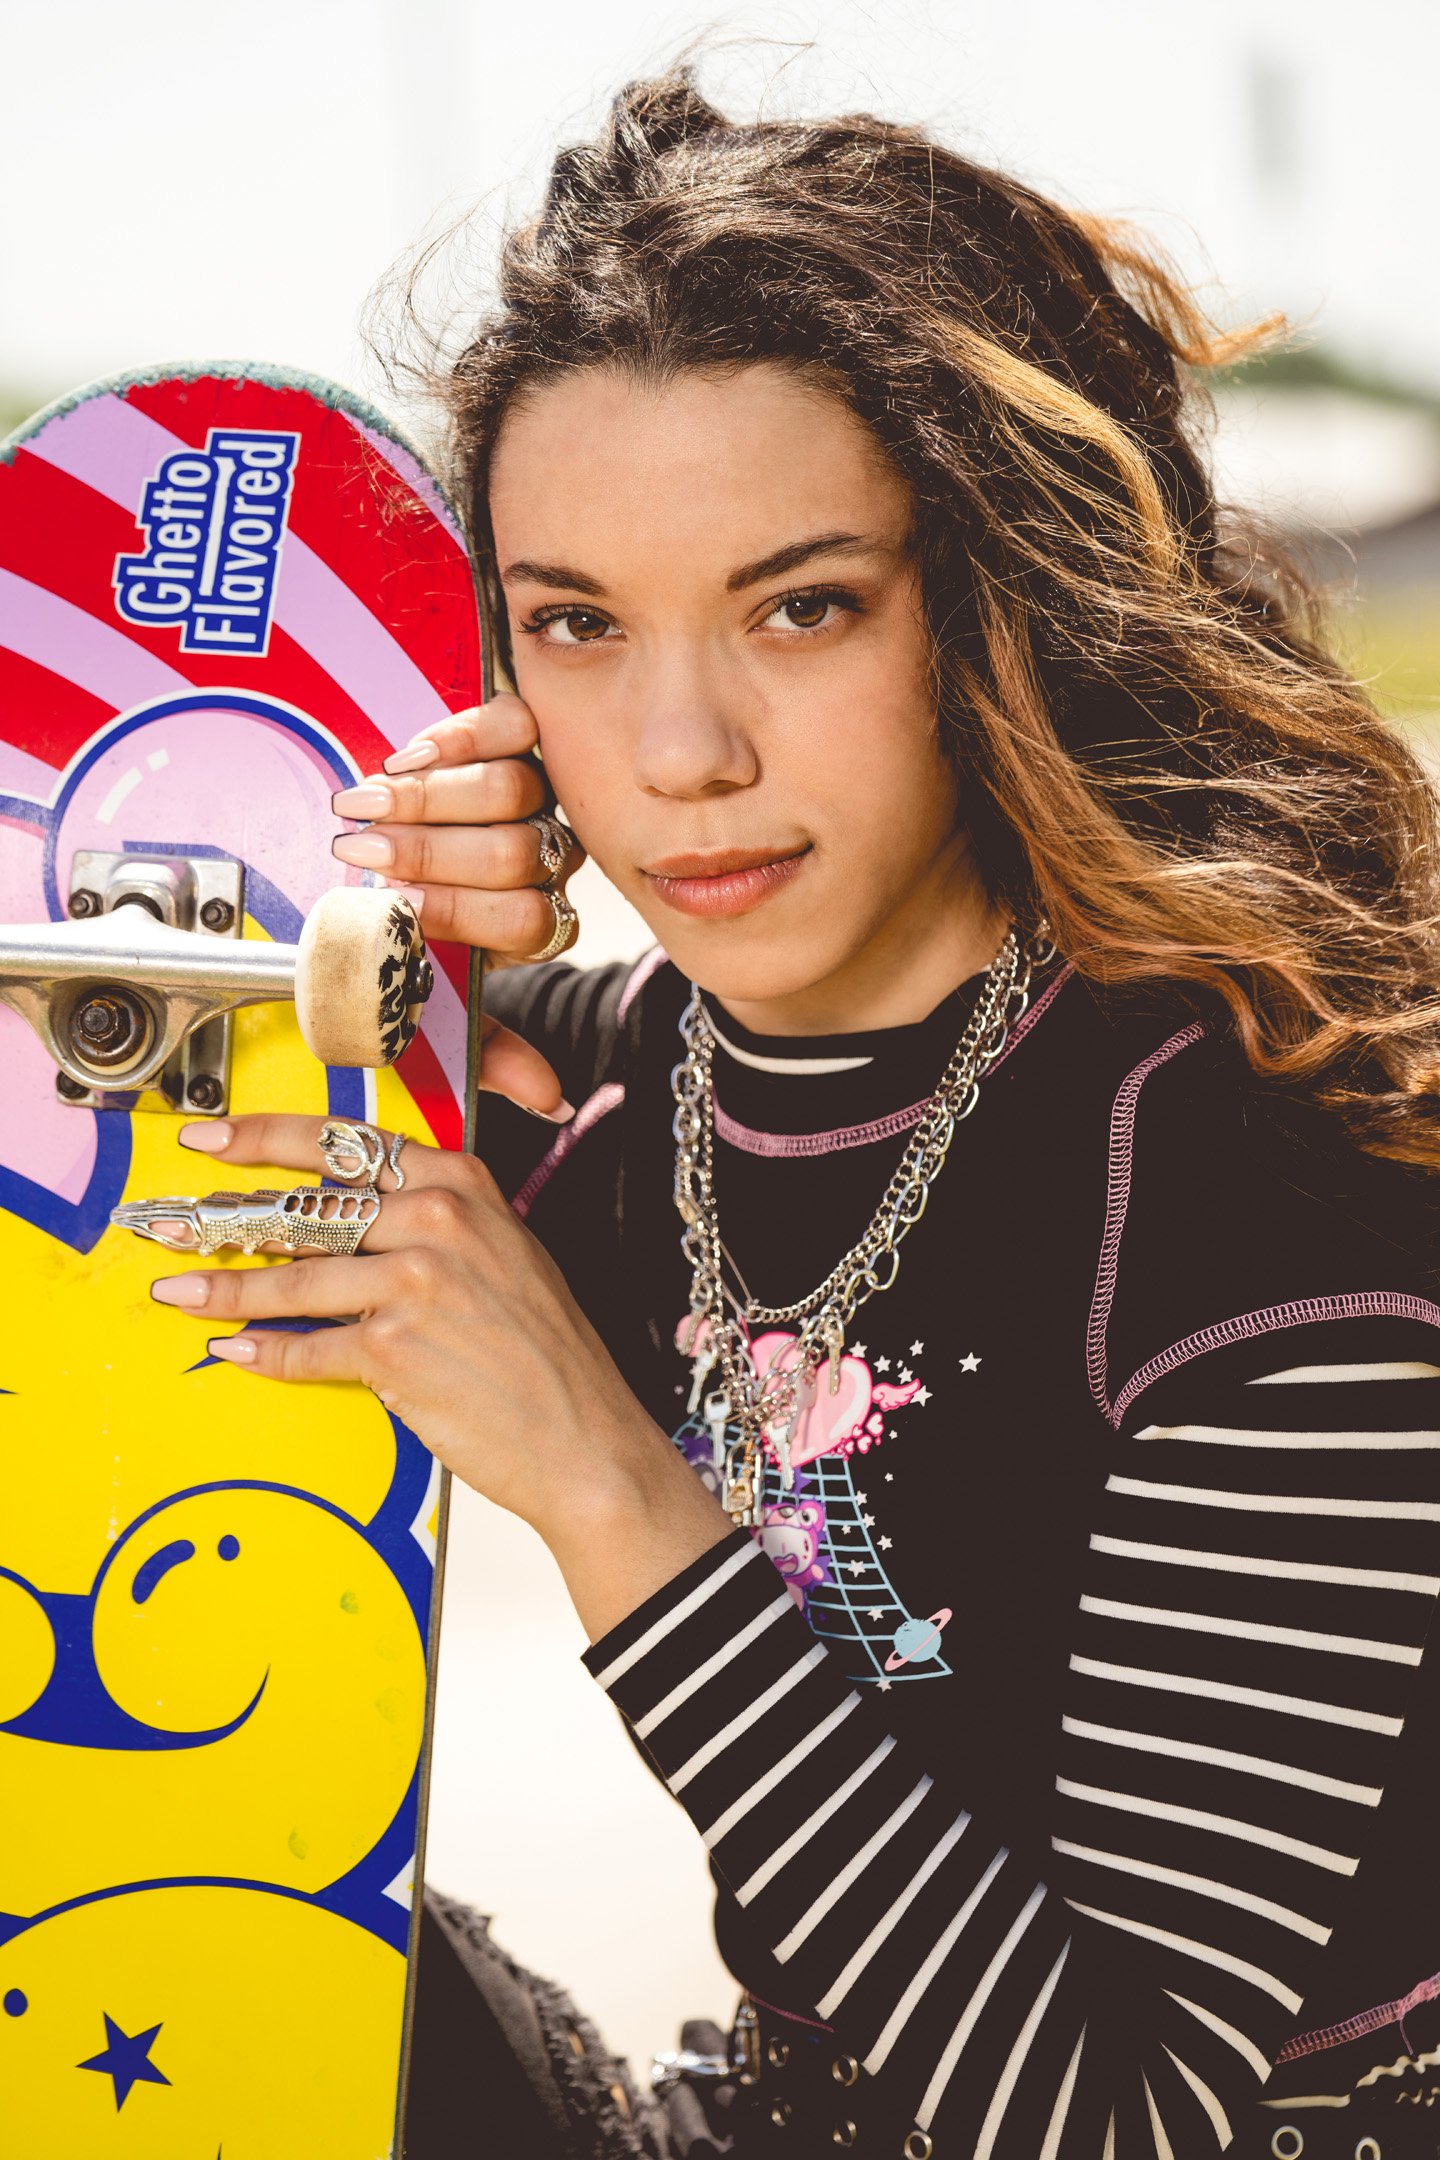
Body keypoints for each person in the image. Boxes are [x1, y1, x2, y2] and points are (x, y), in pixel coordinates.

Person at [149, 70, 1440, 2160]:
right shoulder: (581, 1087)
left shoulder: (1268, 1169)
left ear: (999, 603)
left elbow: (1126, 2116)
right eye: (578, 624)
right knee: (186, 1950)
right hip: (771, 2121)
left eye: (801, 605)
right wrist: (354, 897)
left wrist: (599, 1478)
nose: (677, 752)